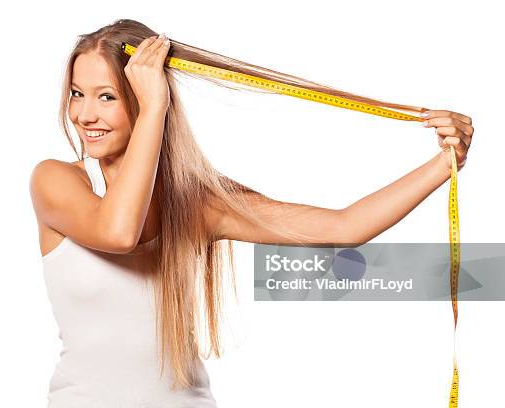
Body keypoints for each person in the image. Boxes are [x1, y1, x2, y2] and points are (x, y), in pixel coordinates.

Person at [29, 19, 473, 408]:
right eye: (76, 94)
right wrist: (155, 110)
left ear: (142, 98)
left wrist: (444, 164)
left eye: (106, 96)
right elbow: (119, 231)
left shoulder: (198, 203)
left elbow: (343, 226)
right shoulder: (57, 182)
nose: (85, 114)